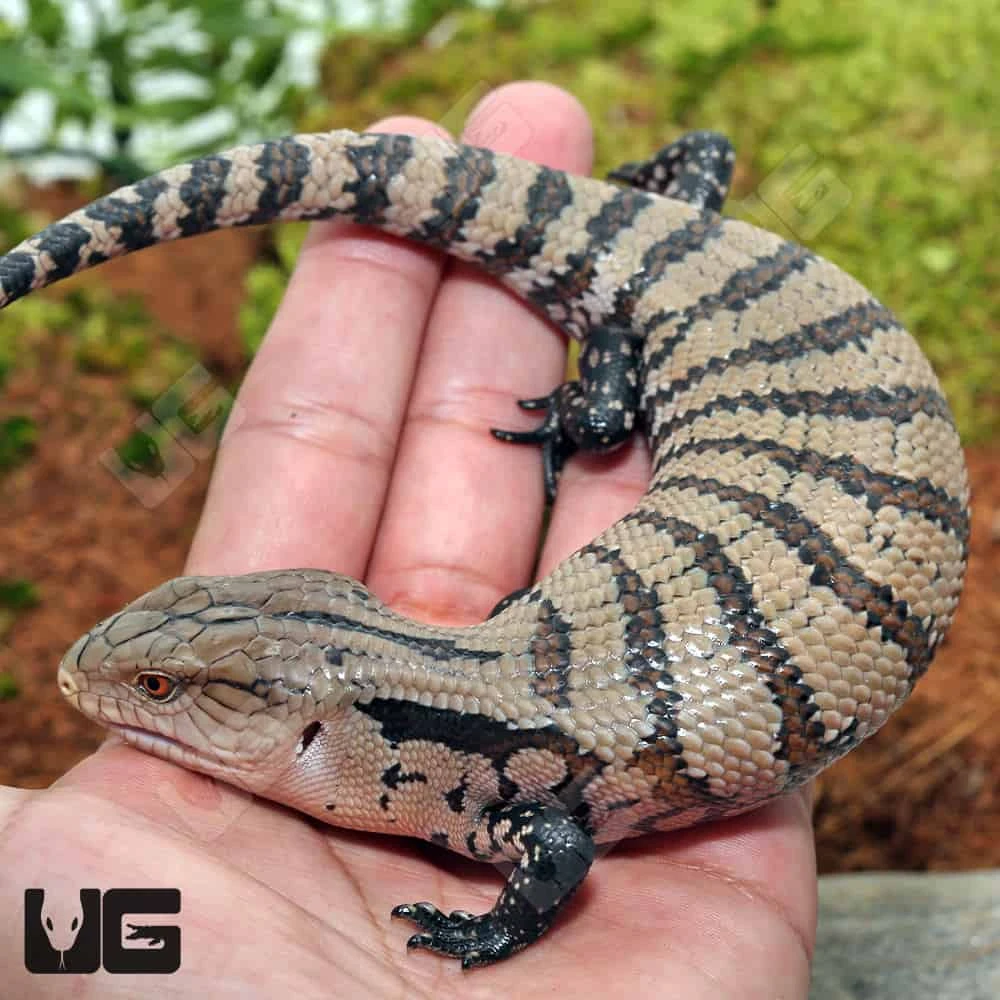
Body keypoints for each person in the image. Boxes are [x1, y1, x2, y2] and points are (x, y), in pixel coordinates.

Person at [1, 81, 815, 997]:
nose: (90, 682)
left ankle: (629, 262)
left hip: (735, 350)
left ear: (311, 720)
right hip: (789, 370)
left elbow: (559, 846)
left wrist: (494, 932)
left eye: (160, 687)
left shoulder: (486, 792)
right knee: (598, 424)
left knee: (598, 431)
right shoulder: (478, 722)